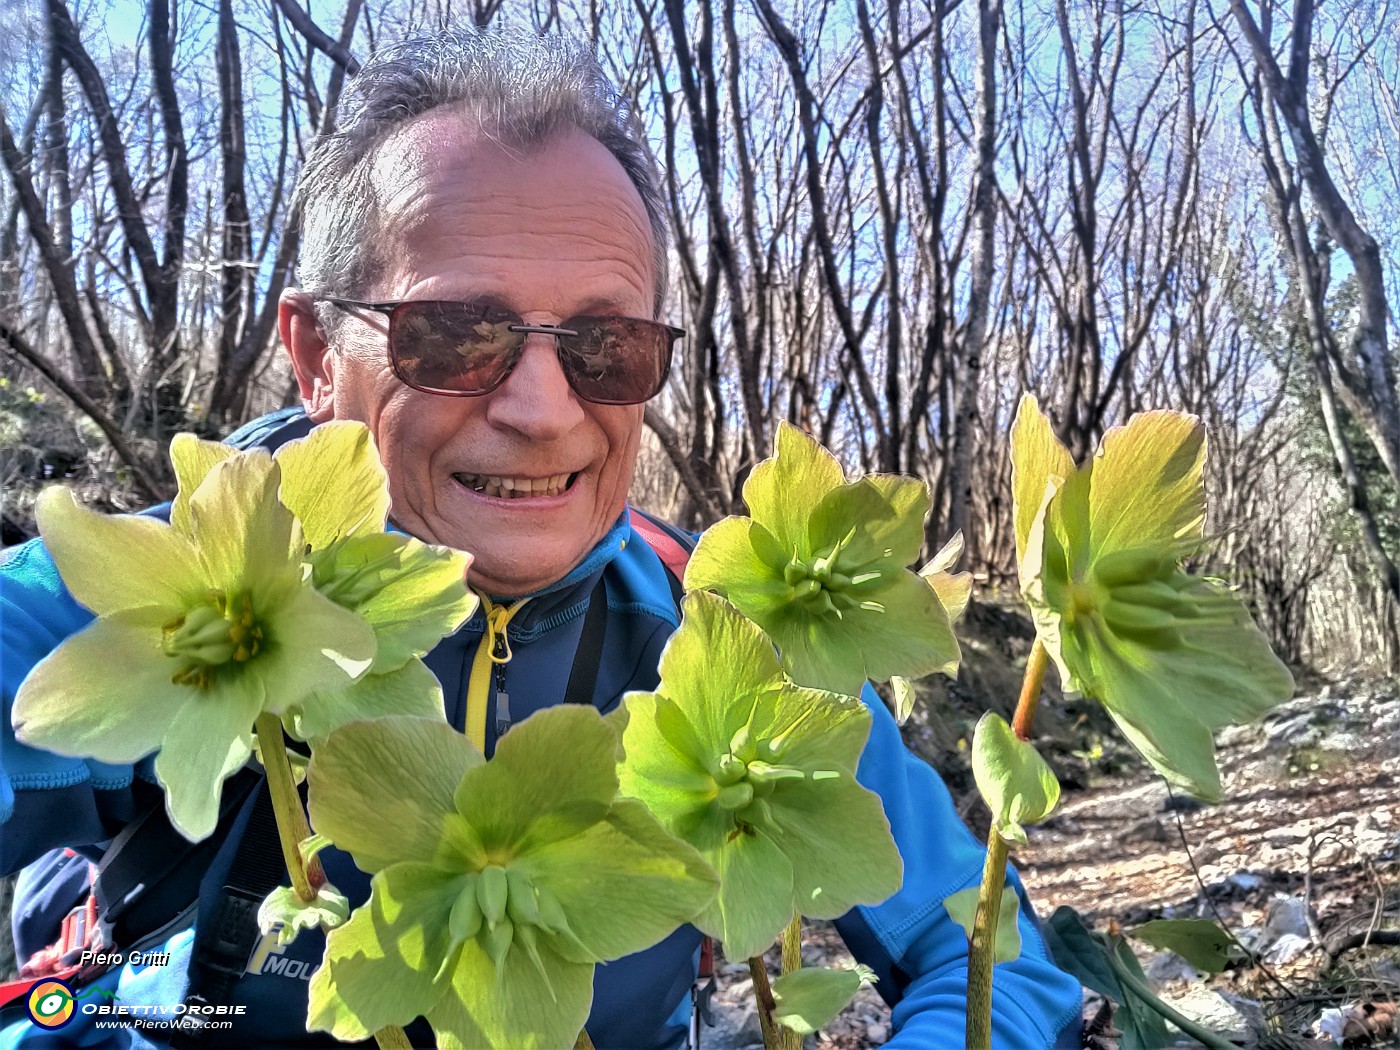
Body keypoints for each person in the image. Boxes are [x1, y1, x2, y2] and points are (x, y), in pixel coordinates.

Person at [0, 26, 1083, 1050]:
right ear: (317, 356)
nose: (544, 410)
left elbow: (998, 964)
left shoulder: (727, 646)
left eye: (604, 346)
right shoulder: (165, 596)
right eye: (455, 333)